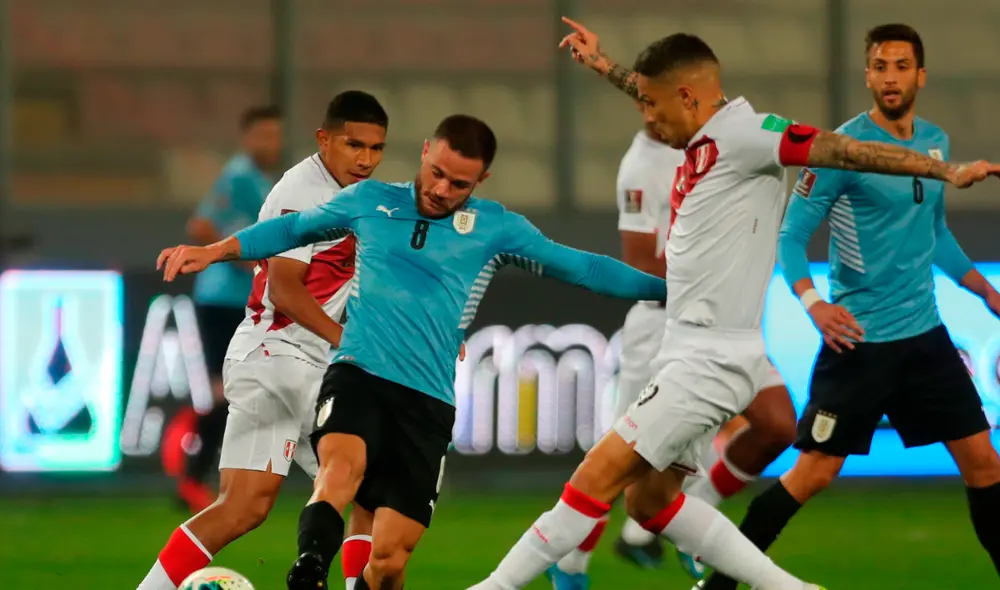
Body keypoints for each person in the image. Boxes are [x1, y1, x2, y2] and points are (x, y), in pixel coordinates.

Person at [468, 19, 999, 590]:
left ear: (689, 98)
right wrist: (606, 68)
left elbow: (840, 148)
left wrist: (942, 169)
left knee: (592, 480)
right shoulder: (704, 132)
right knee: (650, 504)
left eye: (652, 104)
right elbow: (664, 90)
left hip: (706, 360)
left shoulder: (750, 135)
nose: (647, 116)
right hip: (701, 350)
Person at [155, 113, 669, 590]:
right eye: (437, 173)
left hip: (426, 402)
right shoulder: (371, 202)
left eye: (459, 184)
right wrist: (217, 250)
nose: (442, 190)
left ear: (481, 182)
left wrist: (672, 289)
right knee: (339, 472)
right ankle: (310, 566)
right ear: (425, 153)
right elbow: (291, 229)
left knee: (390, 561)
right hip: (357, 373)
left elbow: (586, 269)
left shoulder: (497, 229)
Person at [697, 24, 1000, 590]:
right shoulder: (838, 149)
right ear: (868, 75)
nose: (890, 77)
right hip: (859, 344)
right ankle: (718, 584)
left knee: (985, 465)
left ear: (920, 75)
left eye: (901, 66)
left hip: (926, 338)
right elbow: (790, 238)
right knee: (812, 474)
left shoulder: (935, 142)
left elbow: (934, 231)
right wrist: (812, 303)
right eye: (880, 66)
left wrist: (981, 290)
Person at [138, 91, 389, 590]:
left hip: (275, 357)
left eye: (376, 148)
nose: (365, 159)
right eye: (353, 144)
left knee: (243, 507)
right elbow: (286, 289)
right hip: (285, 356)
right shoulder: (304, 190)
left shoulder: (354, 194)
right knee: (371, 491)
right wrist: (350, 343)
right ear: (324, 139)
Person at [546, 119, 797, 590]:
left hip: (725, 328)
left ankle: (688, 517)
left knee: (778, 423)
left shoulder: (720, 144)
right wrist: (718, 272)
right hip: (663, 326)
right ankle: (569, 563)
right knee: (620, 460)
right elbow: (640, 258)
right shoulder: (642, 165)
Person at [178, 104, 284, 513]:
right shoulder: (240, 177)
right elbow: (200, 225)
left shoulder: (259, 180)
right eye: (263, 135)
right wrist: (239, 256)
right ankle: (194, 477)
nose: (270, 144)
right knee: (230, 394)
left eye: (275, 135)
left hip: (237, 302)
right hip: (222, 300)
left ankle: (203, 478)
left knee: (240, 393)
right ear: (247, 137)